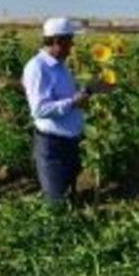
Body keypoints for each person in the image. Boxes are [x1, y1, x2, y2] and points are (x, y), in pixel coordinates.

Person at [22, 17, 97, 203]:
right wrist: (73, 102)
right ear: (56, 41)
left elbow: (64, 98)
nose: (72, 45)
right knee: (56, 200)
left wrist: (83, 96)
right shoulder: (38, 67)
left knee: (68, 197)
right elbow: (39, 109)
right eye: (69, 40)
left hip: (68, 143)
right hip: (52, 146)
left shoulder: (60, 66)